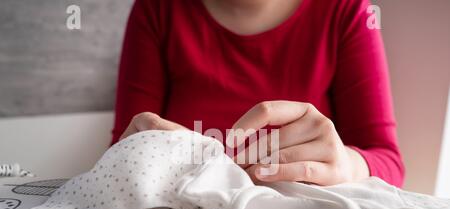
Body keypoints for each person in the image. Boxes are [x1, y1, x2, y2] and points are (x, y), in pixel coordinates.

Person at [112, 0, 405, 187]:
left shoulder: (347, 11)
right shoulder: (157, 9)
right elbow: (121, 151)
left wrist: (346, 165)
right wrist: (143, 150)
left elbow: (389, 163)